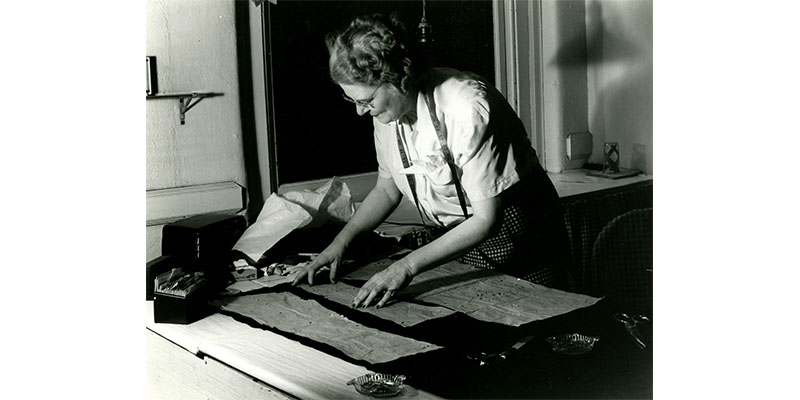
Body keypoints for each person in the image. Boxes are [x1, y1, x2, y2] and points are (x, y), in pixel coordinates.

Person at [293, 13, 572, 308]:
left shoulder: (468, 108)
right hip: (462, 233)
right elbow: (387, 191)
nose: (361, 112)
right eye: (353, 101)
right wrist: (338, 244)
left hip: (519, 228)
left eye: (366, 101)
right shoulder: (388, 114)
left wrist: (404, 267)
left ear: (399, 79)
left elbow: (486, 219)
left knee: (535, 320)